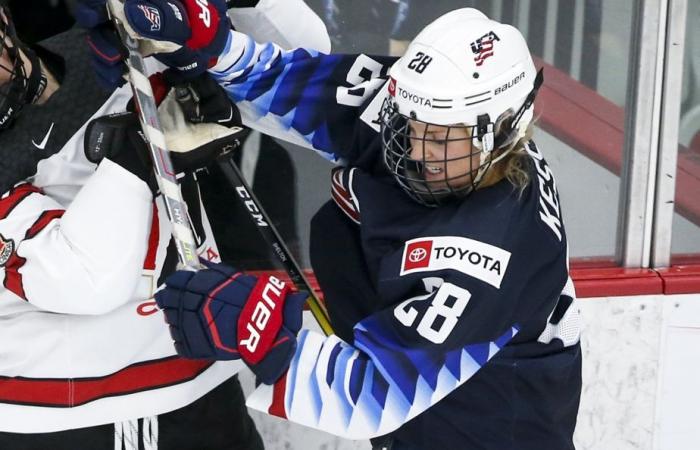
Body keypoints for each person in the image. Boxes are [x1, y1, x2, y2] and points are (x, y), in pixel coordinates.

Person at [154, 7, 580, 450]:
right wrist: (216, 49)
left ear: (503, 132)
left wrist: (255, 325)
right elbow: (300, 89)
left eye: (436, 139)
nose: (415, 151)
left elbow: (364, 393)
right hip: (428, 415)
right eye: (409, 127)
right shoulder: (440, 113)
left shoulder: (488, 254)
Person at [0, 1, 329, 449]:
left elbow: (305, 57)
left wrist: (215, 17)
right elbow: (85, 278)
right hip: (58, 415)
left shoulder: (117, 48)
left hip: (198, 381)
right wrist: (144, 146)